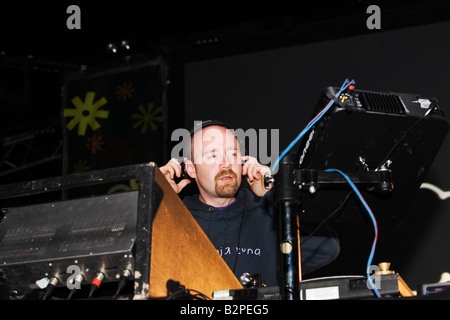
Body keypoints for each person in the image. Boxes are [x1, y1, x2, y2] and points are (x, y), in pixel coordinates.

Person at [159, 120, 339, 287]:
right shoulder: (177, 222)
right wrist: (156, 199)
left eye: (233, 154)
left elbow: (327, 246)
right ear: (191, 169)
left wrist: (276, 196)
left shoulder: (267, 218)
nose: (226, 164)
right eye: (212, 155)